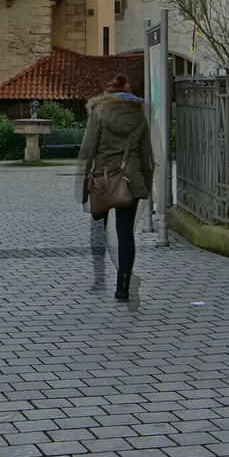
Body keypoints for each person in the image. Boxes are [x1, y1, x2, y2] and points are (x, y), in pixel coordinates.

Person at [78, 75, 154, 302]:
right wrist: (145, 187)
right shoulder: (139, 115)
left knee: (98, 229)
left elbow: (88, 151)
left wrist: (83, 188)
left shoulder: (99, 113)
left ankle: (99, 276)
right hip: (131, 182)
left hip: (102, 181)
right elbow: (146, 154)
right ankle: (123, 287)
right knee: (125, 234)